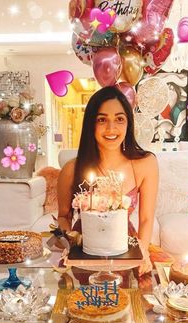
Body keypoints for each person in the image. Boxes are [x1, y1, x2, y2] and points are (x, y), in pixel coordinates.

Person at [57, 86, 159, 278]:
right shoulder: (71, 169)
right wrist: (68, 244)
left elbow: (146, 218)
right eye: (102, 120)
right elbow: (63, 216)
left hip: (125, 249)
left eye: (119, 119)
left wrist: (143, 253)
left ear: (128, 123)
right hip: (83, 252)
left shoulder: (146, 163)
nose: (111, 128)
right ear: (90, 124)